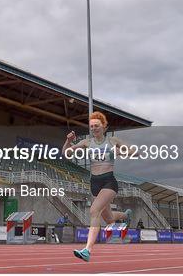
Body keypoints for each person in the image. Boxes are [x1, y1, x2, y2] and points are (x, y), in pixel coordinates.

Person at [63, 111, 133, 262]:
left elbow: (134, 152)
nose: (94, 128)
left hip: (109, 181)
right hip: (94, 183)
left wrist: (121, 151)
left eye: (97, 126)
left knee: (94, 210)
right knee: (108, 218)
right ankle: (126, 216)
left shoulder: (112, 140)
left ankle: (87, 250)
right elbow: (66, 153)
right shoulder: (87, 142)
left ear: (104, 126)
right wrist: (68, 142)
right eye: (92, 126)